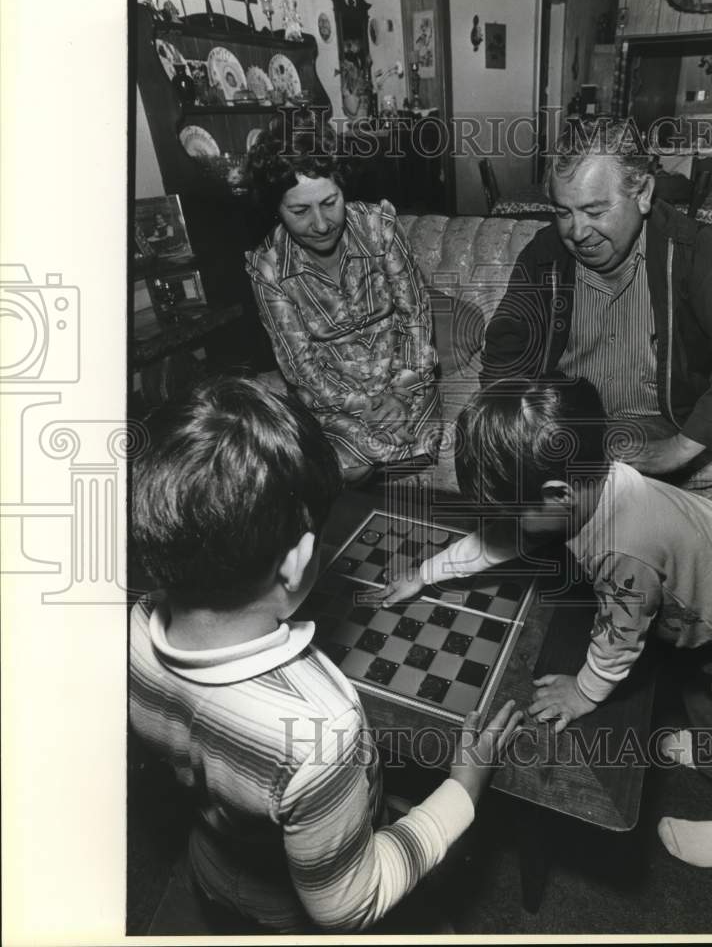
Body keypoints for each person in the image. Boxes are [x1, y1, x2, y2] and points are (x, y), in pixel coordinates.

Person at [129, 374, 522, 933]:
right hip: (291, 906)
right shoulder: (324, 731)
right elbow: (347, 904)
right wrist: (464, 788)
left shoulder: (136, 626)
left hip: (213, 860)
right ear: (299, 561)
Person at [378, 376, 712, 874]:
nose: (513, 523)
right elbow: (504, 539)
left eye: (516, 511)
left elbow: (619, 639)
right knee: (704, 695)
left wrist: (584, 692)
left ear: (556, 493)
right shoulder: (591, 473)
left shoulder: (621, 550)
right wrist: (425, 574)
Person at [481, 116, 712, 506]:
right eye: (563, 211)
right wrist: (512, 427)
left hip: (659, 426)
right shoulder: (544, 255)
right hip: (565, 423)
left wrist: (679, 448)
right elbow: (506, 349)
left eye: (595, 210)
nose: (577, 231)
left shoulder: (691, 251)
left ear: (642, 194)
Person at [245, 119, 440, 483]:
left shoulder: (378, 227)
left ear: (342, 190)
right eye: (300, 211)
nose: (320, 224)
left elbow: (416, 316)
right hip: (334, 399)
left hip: (403, 377)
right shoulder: (268, 269)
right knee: (356, 464)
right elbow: (300, 366)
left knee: (416, 446)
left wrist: (399, 392)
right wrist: (363, 407)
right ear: (277, 209)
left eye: (329, 203)